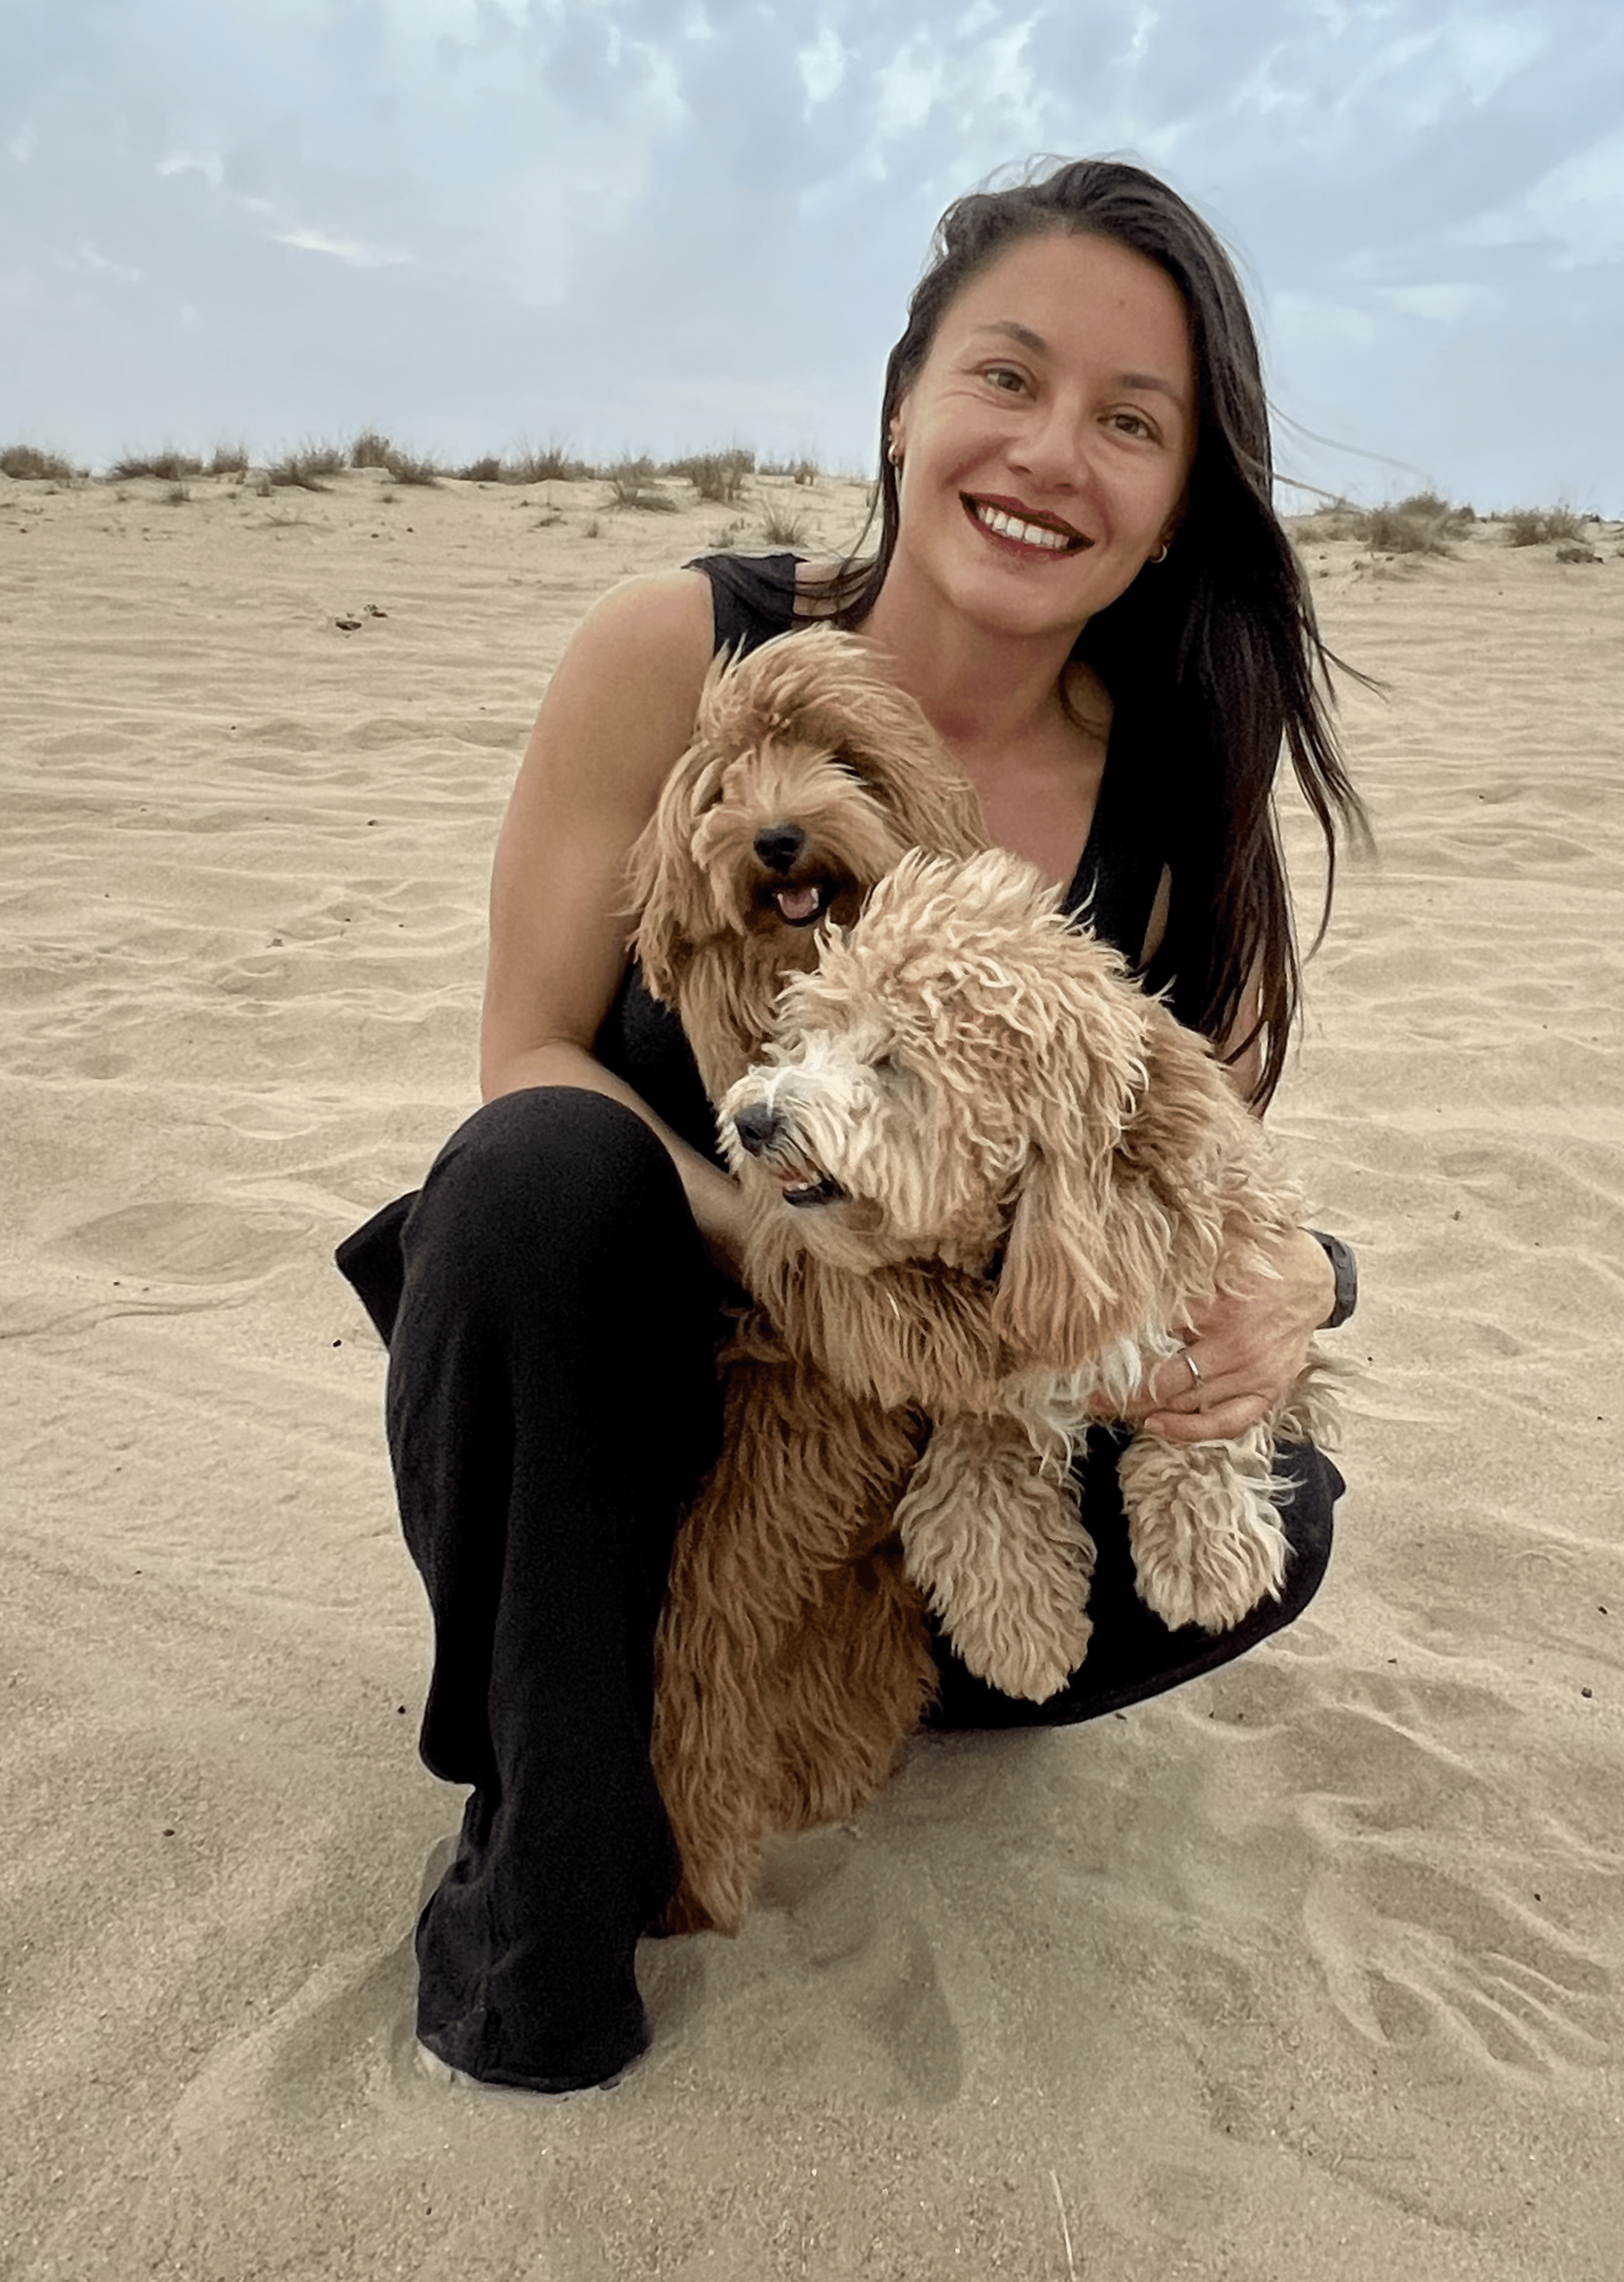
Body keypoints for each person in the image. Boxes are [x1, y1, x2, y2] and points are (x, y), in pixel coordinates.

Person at [338, 157, 1367, 2095]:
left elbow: (1199, 1170)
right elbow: (526, 1044)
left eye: (1132, 424)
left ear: (1173, 512)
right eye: (1010, 377)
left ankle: (828, 1693)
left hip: (924, 1465)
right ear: (902, 404)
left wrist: (1303, 1286)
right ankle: (554, 1834)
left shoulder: (1172, 800)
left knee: (1280, 1519)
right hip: (617, 1402)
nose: (1055, 453)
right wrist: (787, 1235)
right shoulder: (677, 653)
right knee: (526, 1181)